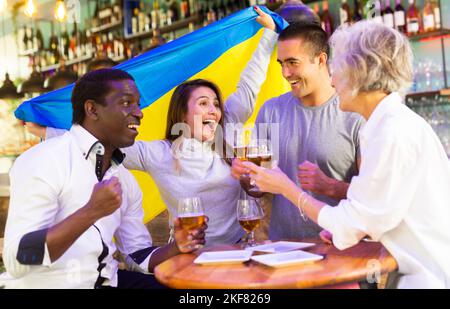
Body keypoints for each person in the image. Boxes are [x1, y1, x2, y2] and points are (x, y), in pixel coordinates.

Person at [20, 7, 279, 246]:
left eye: (215, 104)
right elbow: (98, 141)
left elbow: (250, 82)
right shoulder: (159, 153)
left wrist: (269, 33)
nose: (213, 110)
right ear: (183, 115)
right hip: (186, 256)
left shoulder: (228, 125)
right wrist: (44, 129)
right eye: (203, 103)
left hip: (237, 251)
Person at [243, 21, 450, 288]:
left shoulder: (390, 132)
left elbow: (352, 221)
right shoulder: (384, 125)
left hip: (427, 276)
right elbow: (369, 212)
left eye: (337, 69)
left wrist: (287, 188)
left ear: (359, 74)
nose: (332, 79)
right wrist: (342, 229)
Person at [2, 69, 207, 289]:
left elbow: (137, 255)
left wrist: (177, 246)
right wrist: (91, 211)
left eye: (138, 104)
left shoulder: (125, 180)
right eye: (127, 103)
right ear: (92, 109)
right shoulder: (44, 160)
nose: (139, 113)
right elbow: (17, 260)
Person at [232, 23, 364, 240]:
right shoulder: (270, 111)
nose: (285, 73)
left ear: (321, 60)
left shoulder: (355, 112)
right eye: (281, 64)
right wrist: (247, 176)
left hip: (341, 252)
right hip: (283, 254)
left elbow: (374, 200)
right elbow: (258, 189)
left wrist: (331, 187)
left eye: (293, 63)